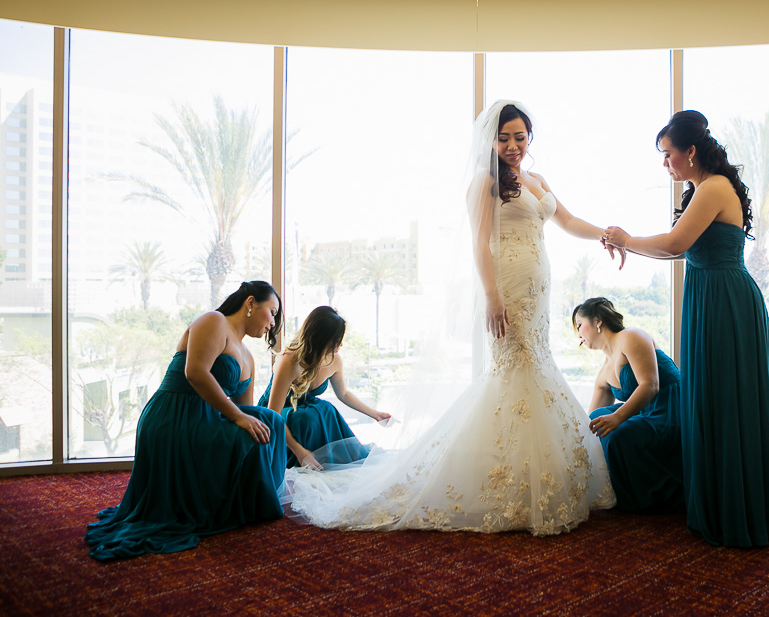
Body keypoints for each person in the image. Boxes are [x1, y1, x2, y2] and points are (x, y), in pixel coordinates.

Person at [281, 100, 618, 535]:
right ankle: (504, 484)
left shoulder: (536, 180)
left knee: (535, 369)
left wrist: (606, 235)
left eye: (520, 136)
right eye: (505, 138)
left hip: (538, 296)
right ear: (491, 141)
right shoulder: (484, 182)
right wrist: (493, 296)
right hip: (508, 290)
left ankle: (529, 477)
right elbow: (480, 243)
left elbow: (568, 220)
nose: (514, 145)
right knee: (513, 373)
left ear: (530, 137)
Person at [601, 110, 769, 547]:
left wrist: (626, 239)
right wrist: (627, 244)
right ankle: (724, 504)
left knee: (727, 400)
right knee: (712, 400)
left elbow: (674, 244)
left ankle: (738, 510)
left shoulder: (714, 187)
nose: (664, 163)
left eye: (668, 154)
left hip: (726, 302)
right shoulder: (699, 191)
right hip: (708, 297)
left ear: (690, 150)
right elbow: (676, 252)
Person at [85, 281, 287, 560]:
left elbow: (246, 410)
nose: (273, 323)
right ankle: (238, 506)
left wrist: (247, 419)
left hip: (209, 416)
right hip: (175, 414)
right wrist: (239, 418)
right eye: (272, 312)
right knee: (248, 429)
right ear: (251, 303)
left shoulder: (248, 357)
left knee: (270, 421)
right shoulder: (214, 321)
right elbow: (195, 373)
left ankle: (254, 502)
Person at [574, 297, 684, 513]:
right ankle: (616, 490)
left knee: (616, 432)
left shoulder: (631, 337)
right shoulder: (605, 369)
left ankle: (641, 499)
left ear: (597, 320)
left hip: (671, 408)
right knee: (599, 417)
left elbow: (650, 385)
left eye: (579, 325)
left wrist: (617, 418)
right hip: (646, 411)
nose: (577, 334)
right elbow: (591, 419)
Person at [259, 306, 390, 470]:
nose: (340, 344)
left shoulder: (334, 359)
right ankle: (301, 462)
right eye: (335, 340)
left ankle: (331, 462)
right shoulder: (289, 361)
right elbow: (273, 414)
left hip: (306, 413)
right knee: (306, 418)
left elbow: (343, 393)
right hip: (276, 412)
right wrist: (301, 452)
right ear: (320, 339)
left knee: (326, 409)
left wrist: (375, 414)